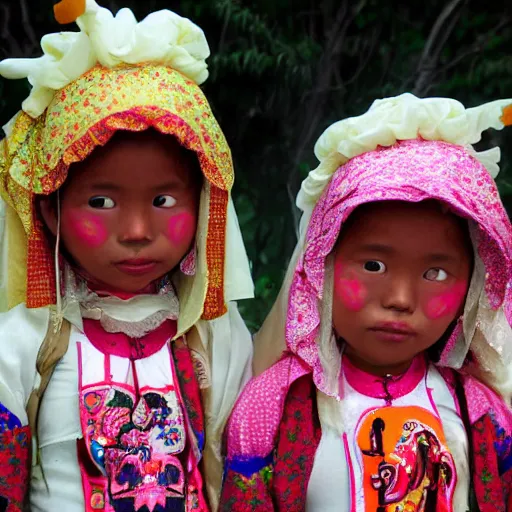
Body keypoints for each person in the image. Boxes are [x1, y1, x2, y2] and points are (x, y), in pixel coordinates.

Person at [0, 1, 253, 510]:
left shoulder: (214, 336)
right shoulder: (26, 340)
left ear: (204, 205)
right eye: (101, 202)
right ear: (50, 209)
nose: (137, 231)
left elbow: (233, 469)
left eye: (164, 201)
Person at [220, 94, 512, 511]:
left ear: (474, 287)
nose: (399, 299)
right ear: (322, 263)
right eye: (373, 265)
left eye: (436, 274)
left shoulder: (481, 417)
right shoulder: (274, 408)